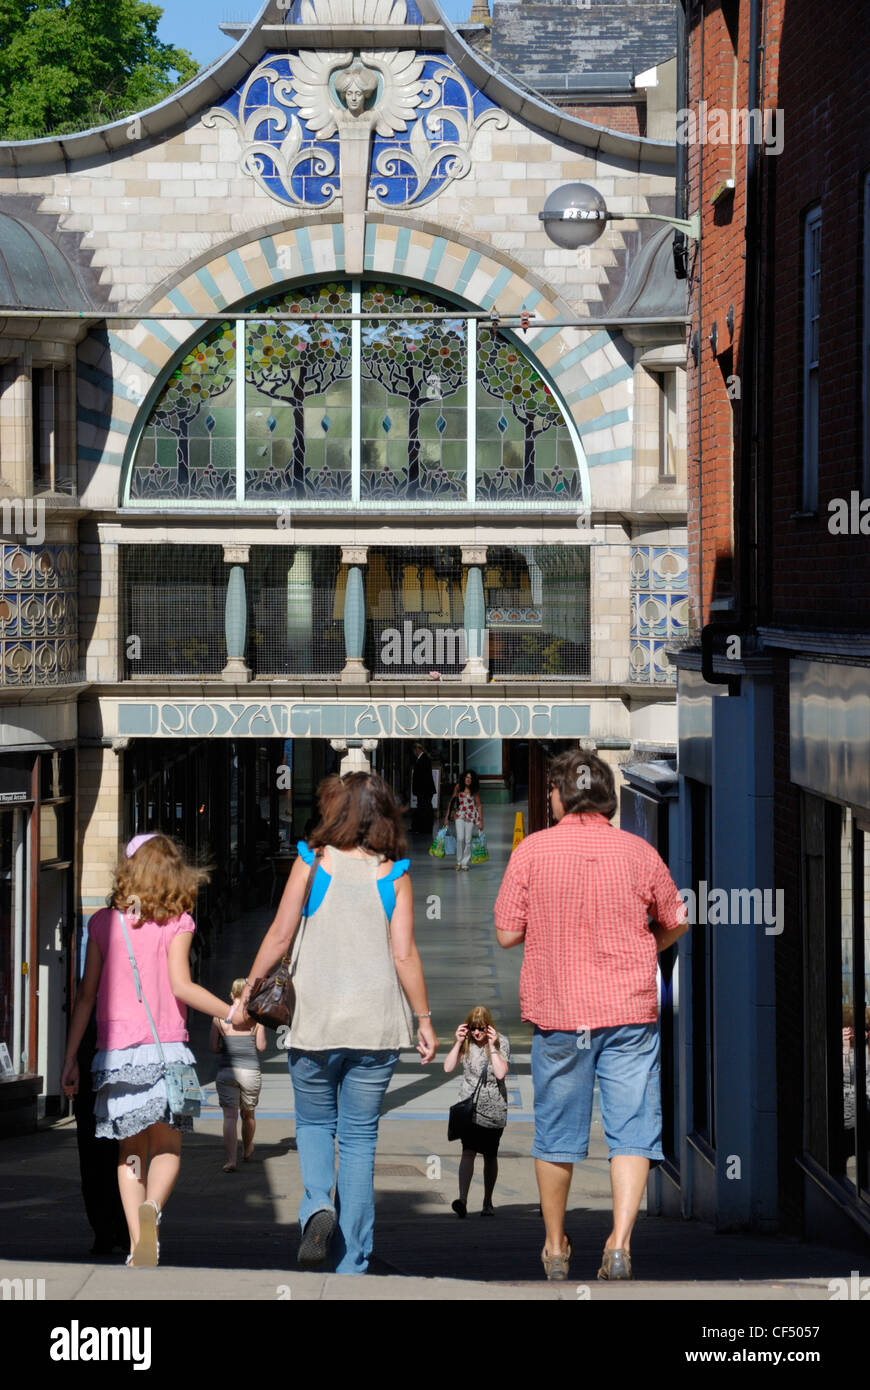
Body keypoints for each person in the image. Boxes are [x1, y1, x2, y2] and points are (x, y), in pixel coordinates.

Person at [494, 749, 688, 1282]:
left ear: (559, 795)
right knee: (632, 1131)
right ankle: (620, 1245)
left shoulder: (532, 852)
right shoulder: (638, 852)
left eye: (551, 793)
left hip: (561, 1014)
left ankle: (556, 1248)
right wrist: (646, 944)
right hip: (628, 1012)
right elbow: (677, 919)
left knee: (556, 1134)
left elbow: (507, 933)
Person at [234, 772, 438, 1274]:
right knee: (360, 1139)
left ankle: (316, 1208)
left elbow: (281, 936)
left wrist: (248, 1001)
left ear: (333, 811)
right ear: (384, 815)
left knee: (314, 1125)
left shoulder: (312, 863)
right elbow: (405, 954)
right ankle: (353, 1261)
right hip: (375, 1030)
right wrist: (424, 1019)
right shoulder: (395, 876)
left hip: (316, 1026)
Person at [60, 833, 234, 1268]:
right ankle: (152, 1210)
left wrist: (69, 1059)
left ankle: (140, 1244)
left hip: (115, 1057)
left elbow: (86, 995)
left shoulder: (103, 923)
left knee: (129, 1152)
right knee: (168, 1148)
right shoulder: (179, 922)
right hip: (167, 1052)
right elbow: (182, 986)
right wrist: (230, 1013)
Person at [443, 1006, 510, 1216]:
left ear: (488, 1027)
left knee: (490, 1155)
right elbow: (447, 1067)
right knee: (468, 1151)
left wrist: (492, 1046)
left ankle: (487, 1202)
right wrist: (457, 1041)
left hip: (493, 1108)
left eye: (480, 1028)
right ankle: (462, 1200)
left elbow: (500, 1073)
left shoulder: (501, 1042)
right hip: (468, 1107)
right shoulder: (466, 1042)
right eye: (473, 1028)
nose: (477, 1033)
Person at [209, 978, 267, 1172]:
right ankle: (247, 1149)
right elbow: (261, 1047)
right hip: (250, 1071)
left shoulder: (218, 1017)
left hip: (226, 1071)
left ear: (231, 994)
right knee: (248, 1113)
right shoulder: (255, 1018)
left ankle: (231, 1160)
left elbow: (213, 1048)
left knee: (229, 1117)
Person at [448, 769, 484, 871]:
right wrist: (447, 816)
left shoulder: (474, 790)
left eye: (471, 778)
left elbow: (479, 805)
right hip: (459, 815)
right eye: (467, 777)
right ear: (464, 778)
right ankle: (458, 861)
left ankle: (464, 863)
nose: (468, 780)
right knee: (460, 838)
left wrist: (480, 821)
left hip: (471, 816)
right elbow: (452, 801)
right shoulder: (458, 787)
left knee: (468, 840)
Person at [409, 741, 436, 837]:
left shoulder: (424, 759)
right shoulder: (421, 759)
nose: (414, 753)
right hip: (424, 790)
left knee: (426, 808)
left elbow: (423, 777)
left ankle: (425, 828)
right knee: (423, 807)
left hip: (424, 790)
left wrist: (419, 789)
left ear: (417, 749)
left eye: (414, 750)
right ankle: (420, 827)